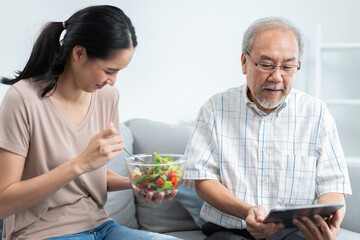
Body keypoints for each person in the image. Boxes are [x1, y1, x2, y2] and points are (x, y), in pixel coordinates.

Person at [0, 5, 180, 240]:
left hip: (100, 226)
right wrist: (81, 163)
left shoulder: (107, 97)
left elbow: (90, 177)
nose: (113, 82)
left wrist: (136, 183)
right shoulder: (22, 98)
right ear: (79, 54)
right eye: (109, 70)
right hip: (41, 232)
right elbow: (4, 201)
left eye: (119, 72)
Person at [182, 17, 352, 240]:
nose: (277, 77)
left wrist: (327, 220)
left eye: (287, 66)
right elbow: (202, 180)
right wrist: (247, 212)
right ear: (244, 62)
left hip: (294, 233)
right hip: (230, 230)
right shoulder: (215, 109)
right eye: (266, 65)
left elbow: (332, 185)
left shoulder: (317, 113)